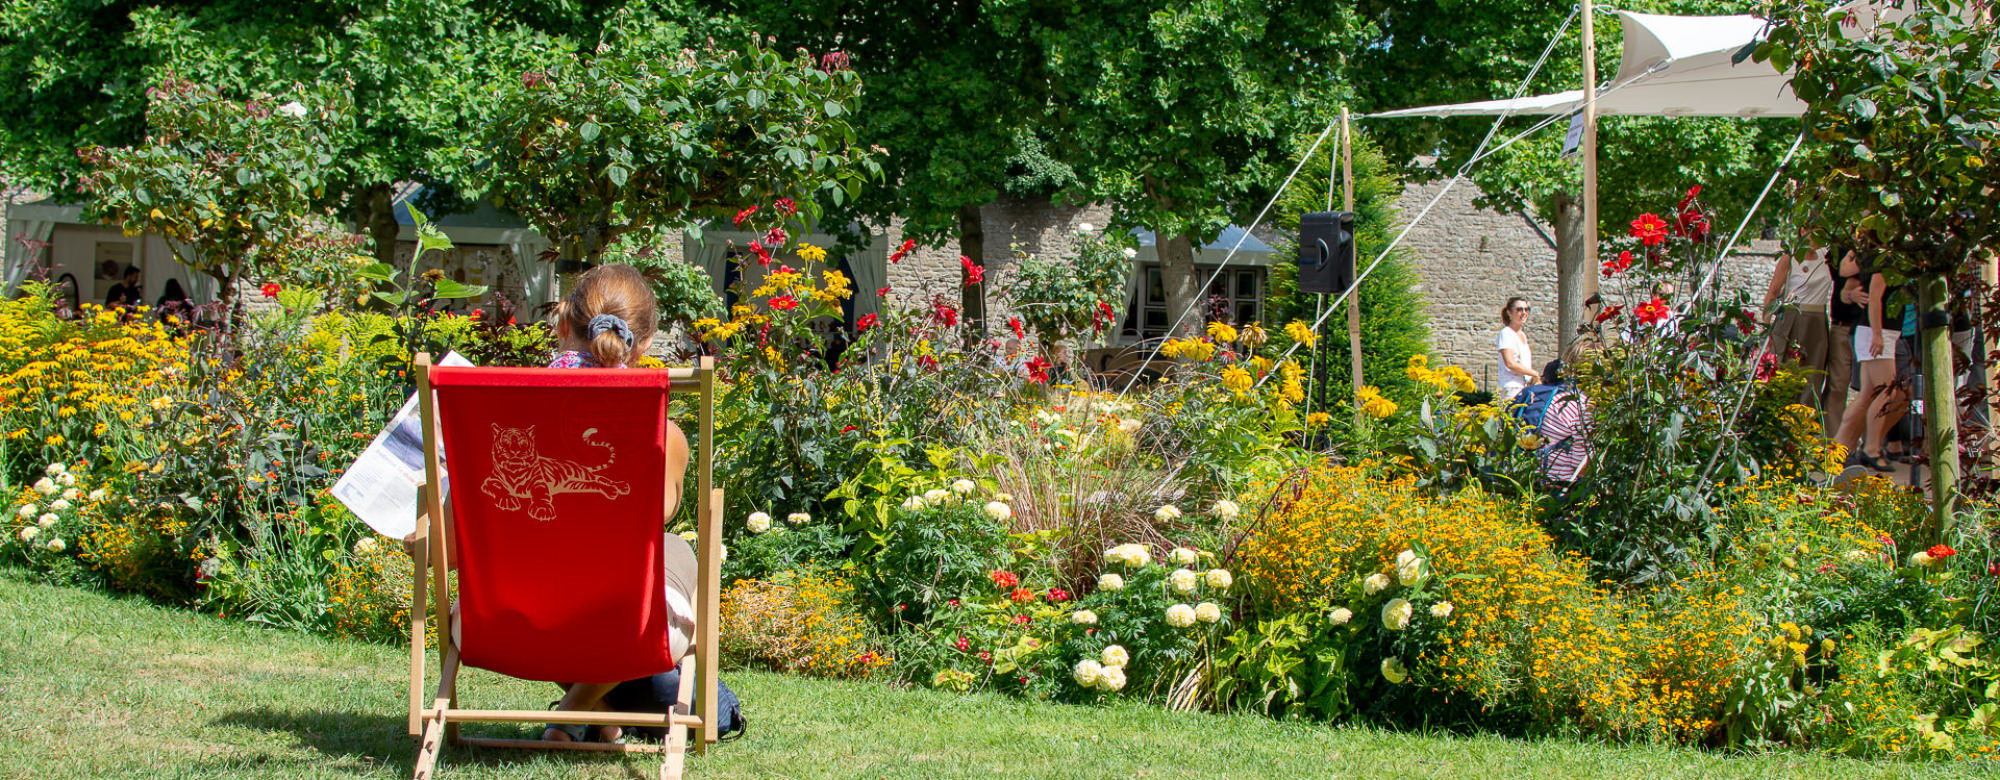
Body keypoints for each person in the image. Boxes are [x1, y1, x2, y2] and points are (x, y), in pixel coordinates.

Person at [540, 264, 696, 743]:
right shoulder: (661, 437)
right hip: (626, 621)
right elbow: (660, 515)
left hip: (517, 615)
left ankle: (597, 718)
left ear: (563, 324)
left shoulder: (501, 424)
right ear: (644, 343)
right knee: (677, 551)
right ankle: (574, 715)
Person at [1835, 253, 1907, 471]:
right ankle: (1871, 449)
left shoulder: (1881, 257)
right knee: (1887, 391)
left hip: (1884, 331)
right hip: (1877, 331)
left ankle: (1839, 448)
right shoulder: (1884, 259)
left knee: (1868, 394)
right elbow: (1875, 297)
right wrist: (1877, 334)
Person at [1762, 237, 1834, 407]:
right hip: (1791, 317)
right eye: (1813, 231)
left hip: (1817, 320)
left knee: (1813, 373)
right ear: (1803, 231)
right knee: (1784, 369)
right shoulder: (1790, 257)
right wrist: (1766, 328)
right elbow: (1773, 292)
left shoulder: (1828, 257)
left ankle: (1804, 422)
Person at [1513, 360, 1592, 484]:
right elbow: (1580, 465)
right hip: (1559, 485)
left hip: (1527, 477)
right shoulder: (1581, 405)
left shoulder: (1535, 398)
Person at [1825, 247, 1864, 437]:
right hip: (1842, 325)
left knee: (1867, 391)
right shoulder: (1839, 250)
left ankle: (1857, 444)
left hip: (1868, 330)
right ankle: (1831, 442)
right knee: (1837, 386)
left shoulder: (1877, 251)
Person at [1495, 296, 1536, 398]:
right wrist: (1534, 373)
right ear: (1509, 313)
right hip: (1511, 388)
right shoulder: (1506, 333)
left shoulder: (1523, 335)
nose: (1523, 313)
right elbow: (1510, 363)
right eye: (1519, 309)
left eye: (1526, 309)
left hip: (1524, 388)